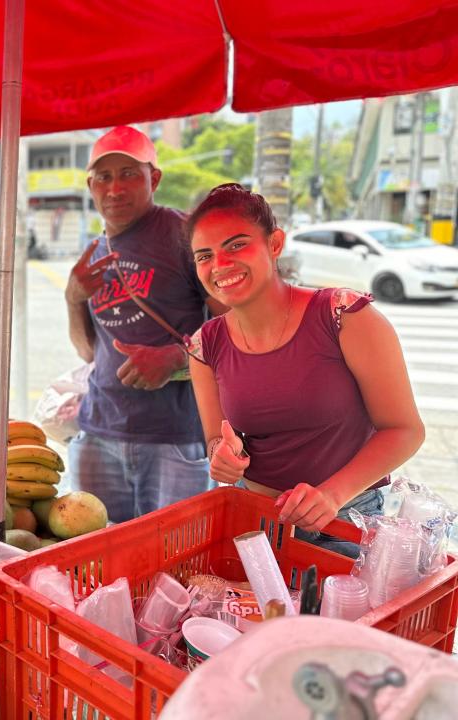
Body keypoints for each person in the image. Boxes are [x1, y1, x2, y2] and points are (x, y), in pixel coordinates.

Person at [186, 184, 424, 555]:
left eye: (236, 245)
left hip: (345, 519)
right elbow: (217, 439)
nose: (220, 265)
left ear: (275, 243)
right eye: (205, 255)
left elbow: (405, 430)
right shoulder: (204, 345)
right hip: (255, 520)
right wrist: (223, 458)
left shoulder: (343, 316)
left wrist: (332, 494)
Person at [64, 126, 225, 523]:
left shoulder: (186, 236)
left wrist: (174, 358)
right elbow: (88, 351)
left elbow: (237, 328)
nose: (115, 188)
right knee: (98, 558)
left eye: (129, 174)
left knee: (173, 560)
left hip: (175, 436)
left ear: (154, 178)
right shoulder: (97, 252)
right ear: (91, 185)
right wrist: (73, 296)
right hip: (99, 431)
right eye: (104, 177)